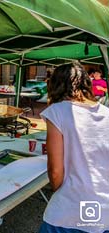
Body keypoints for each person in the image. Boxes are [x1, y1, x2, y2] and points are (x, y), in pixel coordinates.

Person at [39, 62, 109, 232]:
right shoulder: (106, 113)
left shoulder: (57, 111)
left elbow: (55, 171)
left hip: (69, 209)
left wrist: (59, 191)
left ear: (55, 85)